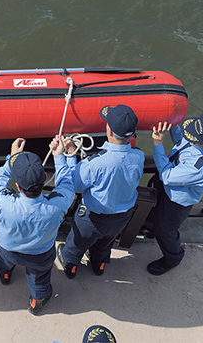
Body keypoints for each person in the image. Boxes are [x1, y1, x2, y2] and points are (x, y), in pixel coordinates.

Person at [0, 136, 75, 315]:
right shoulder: (57, 205)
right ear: (44, 178)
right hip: (40, 255)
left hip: (9, 250)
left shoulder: (4, 204)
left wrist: (11, 160)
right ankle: (37, 300)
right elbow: (67, 184)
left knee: (4, 262)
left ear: (18, 185)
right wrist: (59, 156)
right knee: (39, 278)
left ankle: (5, 275)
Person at [56, 105, 145, 278]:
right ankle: (99, 264)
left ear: (109, 131)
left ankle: (70, 264)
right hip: (122, 216)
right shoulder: (139, 156)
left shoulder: (96, 163)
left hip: (93, 218)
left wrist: (70, 154)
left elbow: (74, 184)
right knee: (105, 244)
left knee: (77, 243)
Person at [144, 113, 203, 275]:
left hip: (176, 199)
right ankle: (150, 227)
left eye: (193, 138)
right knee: (153, 211)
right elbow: (183, 140)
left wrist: (158, 144)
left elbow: (167, 177)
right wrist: (171, 123)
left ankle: (173, 258)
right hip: (167, 185)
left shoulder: (200, 166)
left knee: (166, 230)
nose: (189, 138)